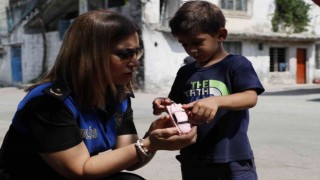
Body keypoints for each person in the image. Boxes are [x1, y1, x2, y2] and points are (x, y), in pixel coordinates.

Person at [0, 10, 197, 180]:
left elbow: (127, 157)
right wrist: (150, 143)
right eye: (125, 54)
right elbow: (80, 169)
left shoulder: (117, 95)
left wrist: (153, 136)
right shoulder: (49, 103)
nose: (135, 62)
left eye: (137, 52)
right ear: (91, 55)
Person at [152, 1, 265, 180]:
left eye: (197, 42)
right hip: (194, 158)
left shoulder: (236, 64)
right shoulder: (186, 71)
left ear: (221, 35)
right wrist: (165, 104)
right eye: (184, 44)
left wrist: (216, 101)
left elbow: (250, 97)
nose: (191, 49)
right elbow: (176, 103)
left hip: (232, 158)